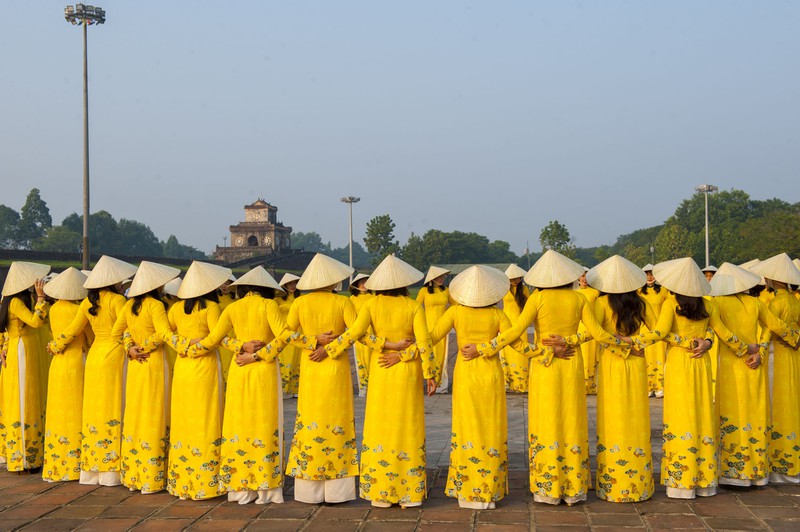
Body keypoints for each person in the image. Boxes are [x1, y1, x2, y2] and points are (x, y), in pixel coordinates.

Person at [461, 250, 626, 506]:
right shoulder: (578, 298)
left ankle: (547, 490)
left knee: (546, 421)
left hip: (544, 366)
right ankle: (573, 490)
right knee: (572, 419)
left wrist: (483, 349)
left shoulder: (537, 298)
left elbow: (514, 333)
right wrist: (623, 343)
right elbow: (597, 333)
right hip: (571, 363)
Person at [625, 257, 759, 499]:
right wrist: (739, 347)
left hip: (679, 363)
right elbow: (722, 333)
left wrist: (632, 341)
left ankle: (681, 482)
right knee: (702, 413)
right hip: (701, 363)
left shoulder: (671, 303)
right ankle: (704, 481)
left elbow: (660, 333)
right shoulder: (707, 304)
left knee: (681, 416)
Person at [185, 266, 318, 505]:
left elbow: (216, 339)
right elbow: (283, 335)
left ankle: (241, 488)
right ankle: (266, 488)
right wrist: (313, 341)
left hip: (239, 368)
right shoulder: (269, 305)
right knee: (264, 422)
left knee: (239, 423)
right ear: (267, 288)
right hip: (264, 369)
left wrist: (238, 347)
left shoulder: (233, 308)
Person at [325, 254, 437, 508]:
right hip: (407, 372)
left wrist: (331, 349)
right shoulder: (413, 307)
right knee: (407, 425)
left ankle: (381, 492)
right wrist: (429, 372)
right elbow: (424, 342)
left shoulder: (371, 305)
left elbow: (356, 333)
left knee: (380, 425)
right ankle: (409, 494)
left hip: (381, 369)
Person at [429, 265, 517, 509]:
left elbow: (431, 337)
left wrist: (398, 347)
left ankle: (467, 491)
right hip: (490, 375)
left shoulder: (456, 312)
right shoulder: (498, 315)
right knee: (490, 427)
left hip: (466, 375)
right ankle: (488, 490)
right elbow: (514, 339)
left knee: (467, 427)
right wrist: (486, 347)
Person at [48, 255, 138, 486]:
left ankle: (93, 468)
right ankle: (112, 470)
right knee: (115, 406)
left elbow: (73, 329)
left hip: (96, 356)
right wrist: (132, 346)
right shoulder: (118, 301)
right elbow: (126, 328)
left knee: (95, 410)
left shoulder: (88, 303)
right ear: (114, 281)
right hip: (115, 354)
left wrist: (55, 345)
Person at [710, 262, 799, 487]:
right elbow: (774, 325)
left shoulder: (717, 303)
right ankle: (758, 472)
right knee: (755, 413)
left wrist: (742, 349)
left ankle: (734, 474)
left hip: (731, 366)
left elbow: (720, 331)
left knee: (733, 412)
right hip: (754, 365)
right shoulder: (756, 302)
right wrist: (790, 340)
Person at [285, 254, 365, 504]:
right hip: (335, 368)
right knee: (336, 420)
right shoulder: (342, 302)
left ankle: (308, 491)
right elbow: (357, 330)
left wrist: (312, 341)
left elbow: (285, 333)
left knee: (310, 420)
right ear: (333, 280)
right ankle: (337, 492)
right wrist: (330, 348)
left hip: (310, 367)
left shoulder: (300, 303)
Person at [580, 256, 656, 502]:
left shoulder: (601, 303)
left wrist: (620, 344)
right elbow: (659, 331)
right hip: (636, 364)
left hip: (612, 364)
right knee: (635, 416)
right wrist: (635, 342)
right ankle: (638, 484)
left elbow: (593, 333)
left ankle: (613, 485)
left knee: (613, 418)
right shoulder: (641, 302)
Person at [112, 261, 182, 493]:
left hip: (136, 365)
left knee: (136, 412)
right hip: (154, 363)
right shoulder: (156, 305)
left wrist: (131, 348)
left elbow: (116, 332)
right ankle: (152, 476)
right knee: (154, 411)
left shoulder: (129, 305)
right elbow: (163, 334)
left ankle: (134, 473)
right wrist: (147, 347)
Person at [165, 261, 232, 500]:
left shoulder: (176, 309)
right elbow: (218, 336)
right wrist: (200, 345)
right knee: (206, 417)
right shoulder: (212, 307)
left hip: (184, 366)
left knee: (184, 418)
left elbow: (164, 334)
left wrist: (184, 345)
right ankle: (206, 480)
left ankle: (182, 480)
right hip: (205, 366)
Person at [751, 253, 800, 484]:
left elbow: (767, 332)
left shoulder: (774, 303)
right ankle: (793, 461)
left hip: (777, 357)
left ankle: (779, 466)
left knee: (777, 405)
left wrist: (758, 355)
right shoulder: (794, 300)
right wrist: (795, 338)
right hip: (793, 356)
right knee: (792, 402)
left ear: (772, 279)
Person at [0, 262, 50, 472]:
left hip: (25, 348)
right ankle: (24, 457)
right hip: (22, 351)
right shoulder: (15, 302)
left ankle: (32, 453)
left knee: (31, 395)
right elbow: (35, 322)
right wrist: (40, 299)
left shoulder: (18, 300)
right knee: (24, 398)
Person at [42, 268, 90, 482]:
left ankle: (56, 463)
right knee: (76, 410)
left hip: (57, 364)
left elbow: (53, 332)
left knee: (57, 412)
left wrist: (54, 345)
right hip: (75, 362)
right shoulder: (79, 310)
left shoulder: (53, 309)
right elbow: (87, 337)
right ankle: (74, 464)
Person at [417, 266, 452, 393]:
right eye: (439, 277)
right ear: (432, 279)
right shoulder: (424, 291)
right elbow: (416, 307)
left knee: (442, 352)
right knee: (430, 351)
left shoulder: (446, 291)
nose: (442, 279)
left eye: (443, 277)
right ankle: (430, 378)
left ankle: (441, 383)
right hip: (428, 325)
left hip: (443, 325)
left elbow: (455, 305)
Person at [500, 264, 531, 392]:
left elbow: (528, 307)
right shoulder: (503, 289)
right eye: (512, 278)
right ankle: (507, 383)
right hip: (505, 323)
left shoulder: (524, 290)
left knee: (520, 352)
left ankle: (521, 383)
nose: (515, 280)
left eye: (517, 278)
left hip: (520, 323)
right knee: (506, 352)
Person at [275, 273, 301, 396]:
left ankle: (295, 388)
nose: (292, 286)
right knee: (283, 359)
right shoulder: (277, 300)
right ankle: (284, 389)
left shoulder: (300, 298)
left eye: (294, 283)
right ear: (284, 285)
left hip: (298, 332)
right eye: (289, 283)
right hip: (284, 331)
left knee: (297, 359)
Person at [577, 268, 601, 394]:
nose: (584, 278)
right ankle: (582, 385)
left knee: (593, 355)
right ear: (578, 278)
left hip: (593, 326)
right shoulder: (574, 293)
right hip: (579, 327)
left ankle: (593, 385)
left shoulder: (596, 292)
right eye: (582, 276)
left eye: (586, 276)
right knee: (582, 355)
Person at [349, 273, 373, 397]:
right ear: (357, 284)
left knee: (373, 358)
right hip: (359, 332)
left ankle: (374, 386)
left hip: (372, 331)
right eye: (362, 282)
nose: (364, 284)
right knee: (361, 358)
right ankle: (364, 387)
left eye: (366, 281)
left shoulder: (374, 297)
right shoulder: (352, 299)